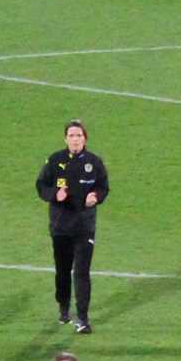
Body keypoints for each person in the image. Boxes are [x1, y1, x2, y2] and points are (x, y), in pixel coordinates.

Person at [33, 120, 110, 333]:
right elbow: (41, 185)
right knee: (63, 270)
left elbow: (103, 186)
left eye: (79, 135)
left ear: (85, 138)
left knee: (82, 272)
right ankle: (64, 307)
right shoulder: (55, 160)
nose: (75, 139)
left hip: (85, 226)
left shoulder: (94, 162)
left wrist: (97, 197)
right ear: (65, 139)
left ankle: (83, 318)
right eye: (71, 135)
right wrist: (54, 195)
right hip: (61, 227)